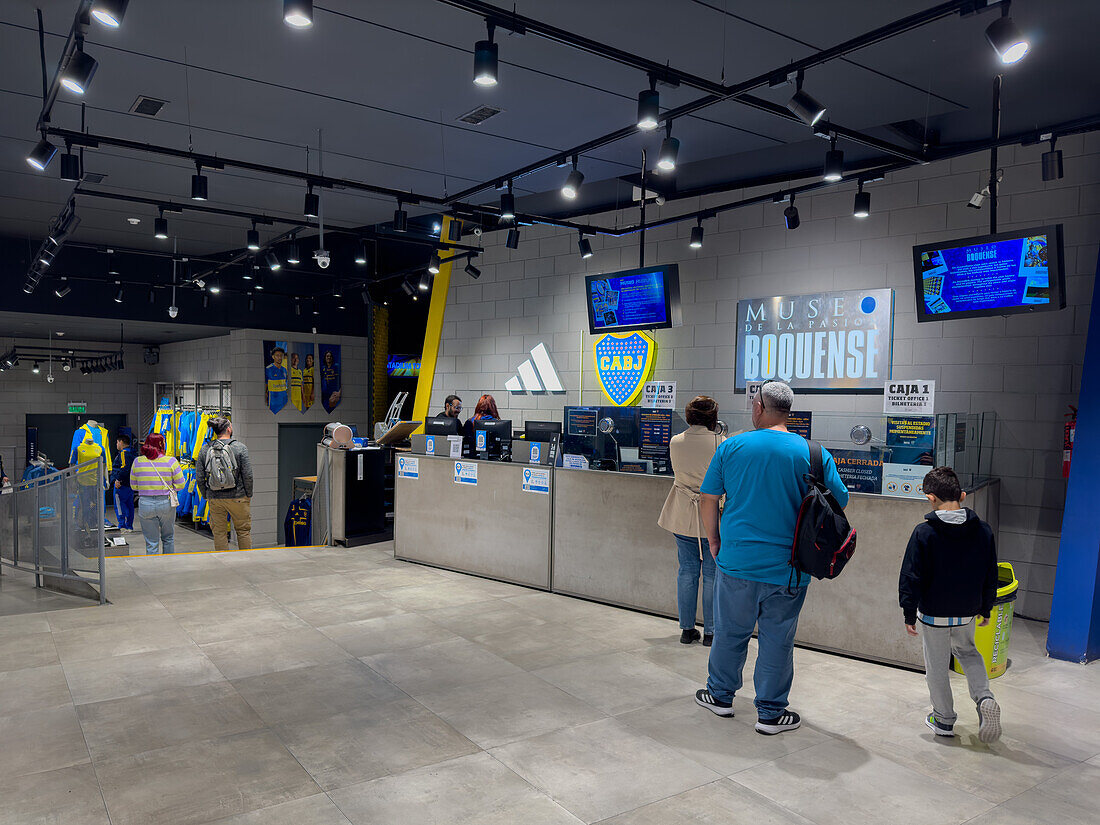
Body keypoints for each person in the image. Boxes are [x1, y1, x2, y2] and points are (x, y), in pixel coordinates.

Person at [695, 379, 848, 735]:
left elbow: (708, 498)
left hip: (736, 561)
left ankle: (720, 697)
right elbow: (839, 499)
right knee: (778, 639)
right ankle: (770, 713)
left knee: (730, 633)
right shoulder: (813, 453)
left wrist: (714, 540)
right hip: (791, 569)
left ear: (759, 407)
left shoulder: (732, 447)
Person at [899, 466, 1001, 743]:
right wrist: (985, 606)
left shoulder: (924, 533)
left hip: (934, 612)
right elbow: (991, 572)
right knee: (968, 652)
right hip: (968, 609)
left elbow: (911, 575)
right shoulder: (983, 531)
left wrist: (909, 611)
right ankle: (984, 698)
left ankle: (943, 719)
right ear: (963, 496)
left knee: (937, 664)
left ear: (931, 498)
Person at [658, 396, 725, 646]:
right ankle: (710, 633)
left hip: (683, 513)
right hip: (713, 515)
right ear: (713, 417)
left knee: (686, 571)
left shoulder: (676, 442)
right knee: (711, 574)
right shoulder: (722, 443)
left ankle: (687, 630)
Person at [195, 417, 254, 552]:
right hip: (238, 497)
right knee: (243, 531)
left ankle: (223, 563)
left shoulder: (205, 449)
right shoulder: (240, 447)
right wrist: (248, 494)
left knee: (219, 532)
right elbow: (248, 475)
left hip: (215, 498)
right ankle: (248, 560)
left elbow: (199, 476)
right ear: (229, 429)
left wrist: (206, 494)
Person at [130, 433, 185, 554]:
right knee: (168, 538)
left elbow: (134, 486)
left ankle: (152, 568)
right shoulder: (171, 461)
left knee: (151, 542)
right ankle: (168, 565)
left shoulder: (137, 461)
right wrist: (170, 488)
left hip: (145, 503)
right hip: (166, 503)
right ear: (161, 444)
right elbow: (181, 484)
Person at [111, 434, 136, 531]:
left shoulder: (123, 453)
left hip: (121, 485)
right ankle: (129, 525)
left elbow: (125, 468)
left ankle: (122, 525)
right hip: (130, 485)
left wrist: (118, 479)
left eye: (117, 442)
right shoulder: (133, 454)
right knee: (129, 505)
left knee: (119, 505)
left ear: (121, 442)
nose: (116, 444)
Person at [265, 346, 289, 413]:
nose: (279, 357)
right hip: (273, 401)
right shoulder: (268, 369)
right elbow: (265, 384)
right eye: (277, 355)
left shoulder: (284, 370)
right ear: (273, 357)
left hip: (284, 400)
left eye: (281, 355)